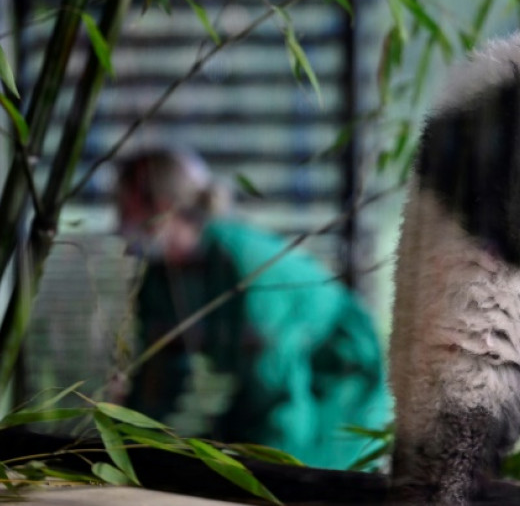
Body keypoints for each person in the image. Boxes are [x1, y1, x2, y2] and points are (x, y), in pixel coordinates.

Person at [115, 147, 390, 469]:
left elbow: (278, 390)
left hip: (337, 382)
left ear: (160, 204)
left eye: (123, 206)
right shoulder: (159, 278)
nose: (118, 220)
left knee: (301, 474)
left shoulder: (241, 264)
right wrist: (127, 445)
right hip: (268, 388)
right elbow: (159, 371)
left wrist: (268, 475)